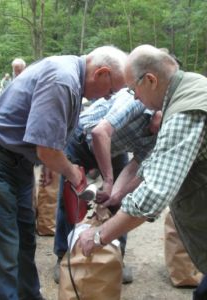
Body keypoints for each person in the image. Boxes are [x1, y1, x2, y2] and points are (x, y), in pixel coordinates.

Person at [78, 44, 207, 300]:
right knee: (205, 293)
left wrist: (100, 236)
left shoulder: (186, 110)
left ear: (150, 80)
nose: (134, 97)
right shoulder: (188, 87)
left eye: (133, 90)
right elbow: (151, 162)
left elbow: (153, 198)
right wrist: (118, 194)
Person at [0, 45, 127, 300]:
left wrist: (51, 163)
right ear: (101, 73)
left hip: (16, 159)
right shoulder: (63, 80)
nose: (107, 98)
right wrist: (73, 174)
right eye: (110, 91)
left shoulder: (71, 77)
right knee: (1, 248)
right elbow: (47, 150)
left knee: (24, 242)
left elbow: (47, 143)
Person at [52, 88, 161, 284]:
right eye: (161, 123)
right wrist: (109, 181)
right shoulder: (136, 99)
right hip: (82, 140)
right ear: (159, 108)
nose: (159, 130)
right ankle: (63, 255)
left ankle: (117, 256)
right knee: (70, 201)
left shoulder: (162, 136)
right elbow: (99, 133)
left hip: (113, 149)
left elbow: (135, 168)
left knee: (120, 204)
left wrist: (116, 195)